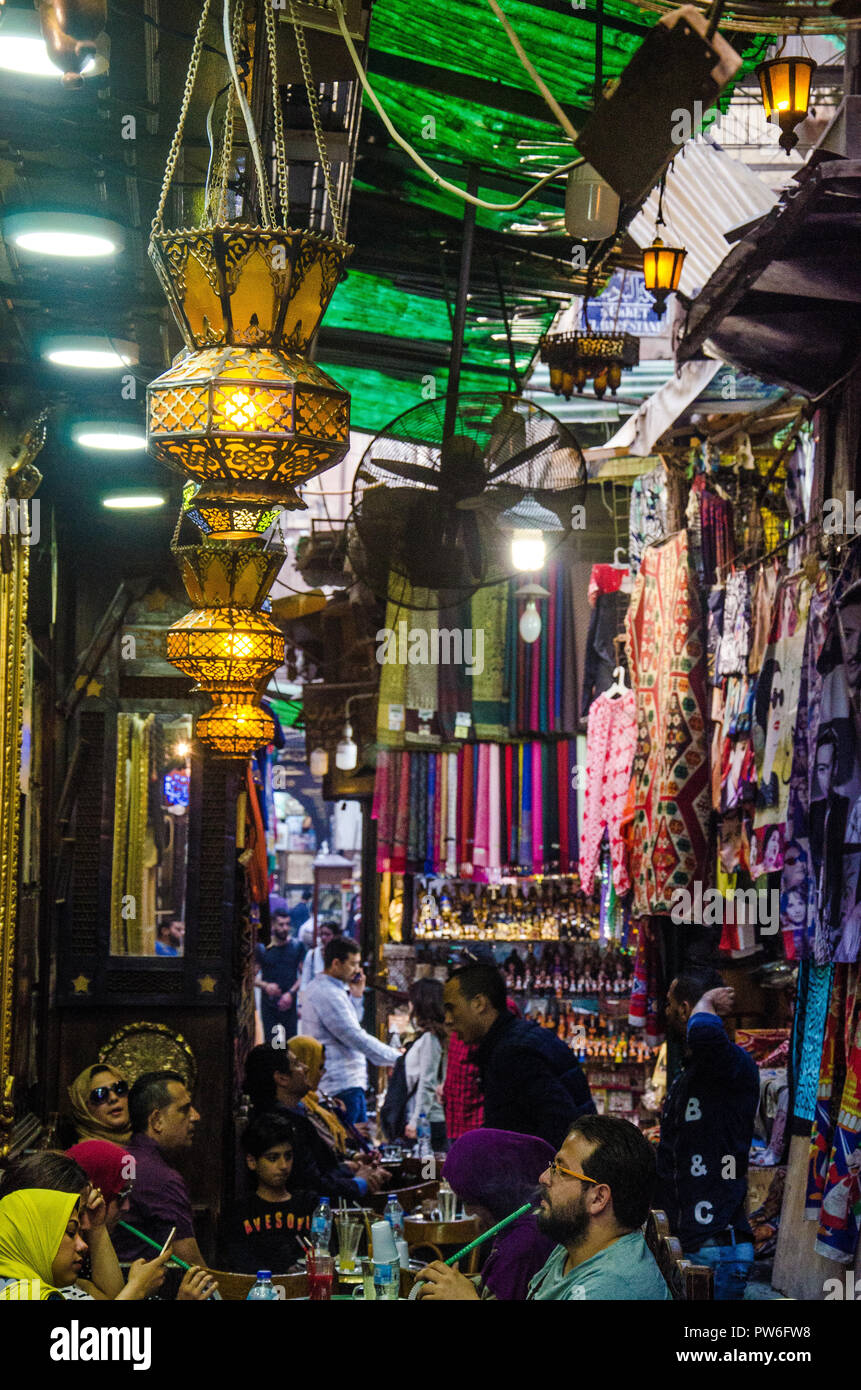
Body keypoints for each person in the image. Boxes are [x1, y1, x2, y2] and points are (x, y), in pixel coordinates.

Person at [656, 974, 759, 1301]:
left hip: (715, 1248)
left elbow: (702, 1032)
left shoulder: (732, 1065)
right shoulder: (694, 1072)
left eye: (671, 1005)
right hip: (697, 1245)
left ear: (686, 1009)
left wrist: (707, 1003)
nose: (664, 1010)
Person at [444, 964, 594, 1148]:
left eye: (452, 1008)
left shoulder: (513, 1054)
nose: (448, 1020)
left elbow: (558, 1123)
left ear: (479, 1004)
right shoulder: (514, 1041)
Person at [528, 1114, 670, 1300]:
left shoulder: (610, 1287)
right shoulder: (576, 1244)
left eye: (560, 1170)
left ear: (598, 1198)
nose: (544, 1178)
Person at [0, 1153, 174, 1302]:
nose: (83, 1243)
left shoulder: (57, 1280)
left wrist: (98, 1228)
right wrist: (136, 1289)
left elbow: (111, 1296)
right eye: (70, 1229)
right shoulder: (21, 1293)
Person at [416, 1129, 555, 1301]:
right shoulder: (519, 1226)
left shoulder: (522, 1245)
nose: (468, 1212)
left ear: (491, 1196)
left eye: (467, 1201)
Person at [244, 1045, 387, 1201]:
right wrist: (360, 1182)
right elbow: (310, 1186)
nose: (305, 1068)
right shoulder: (279, 1126)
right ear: (282, 1078)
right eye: (297, 1064)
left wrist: (350, 1168)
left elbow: (318, 1170)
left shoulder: (294, 1115)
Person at [112, 1070, 206, 1270]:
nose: (195, 1116)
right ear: (156, 1120)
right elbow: (194, 1270)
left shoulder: (123, 1159)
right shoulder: (161, 1179)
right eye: (185, 1109)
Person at [301, 937, 400, 1126]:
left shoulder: (332, 990)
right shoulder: (326, 993)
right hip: (341, 1084)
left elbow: (350, 1025)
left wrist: (356, 997)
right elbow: (354, 1036)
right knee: (351, 1146)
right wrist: (396, 1058)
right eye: (353, 964)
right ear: (336, 963)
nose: (357, 970)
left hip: (344, 1082)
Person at [219, 1113, 317, 1274]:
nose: (283, 1165)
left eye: (288, 1156)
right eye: (273, 1158)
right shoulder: (239, 1212)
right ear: (252, 1161)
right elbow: (240, 1265)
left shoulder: (309, 1204)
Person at [287, 1035, 371, 1155]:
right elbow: (320, 1152)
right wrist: (345, 1135)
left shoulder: (312, 1103)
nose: (321, 1074)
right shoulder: (297, 1107)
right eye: (319, 1067)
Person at [404, 978, 447, 1150]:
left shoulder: (431, 1039)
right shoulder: (438, 1037)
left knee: (427, 1170)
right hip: (432, 1118)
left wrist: (416, 1121)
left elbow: (427, 1082)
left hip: (429, 1121)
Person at [257, 906, 306, 1044]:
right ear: (273, 925)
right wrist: (265, 985)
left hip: (289, 1003)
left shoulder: (297, 946)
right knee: (273, 1045)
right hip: (270, 1005)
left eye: (287, 924)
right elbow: (251, 977)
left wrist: (291, 993)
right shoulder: (263, 948)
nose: (285, 928)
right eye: (281, 924)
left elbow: (304, 975)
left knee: (290, 1045)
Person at [66, 1063, 132, 1145]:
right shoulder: (86, 1153)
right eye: (100, 1094)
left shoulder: (146, 1140)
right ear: (84, 1107)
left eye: (120, 1088)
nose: (113, 1098)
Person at [298, 920, 341, 993]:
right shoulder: (312, 954)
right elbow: (305, 980)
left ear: (335, 936)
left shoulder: (342, 955)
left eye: (327, 934)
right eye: (321, 934)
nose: (323, 937)